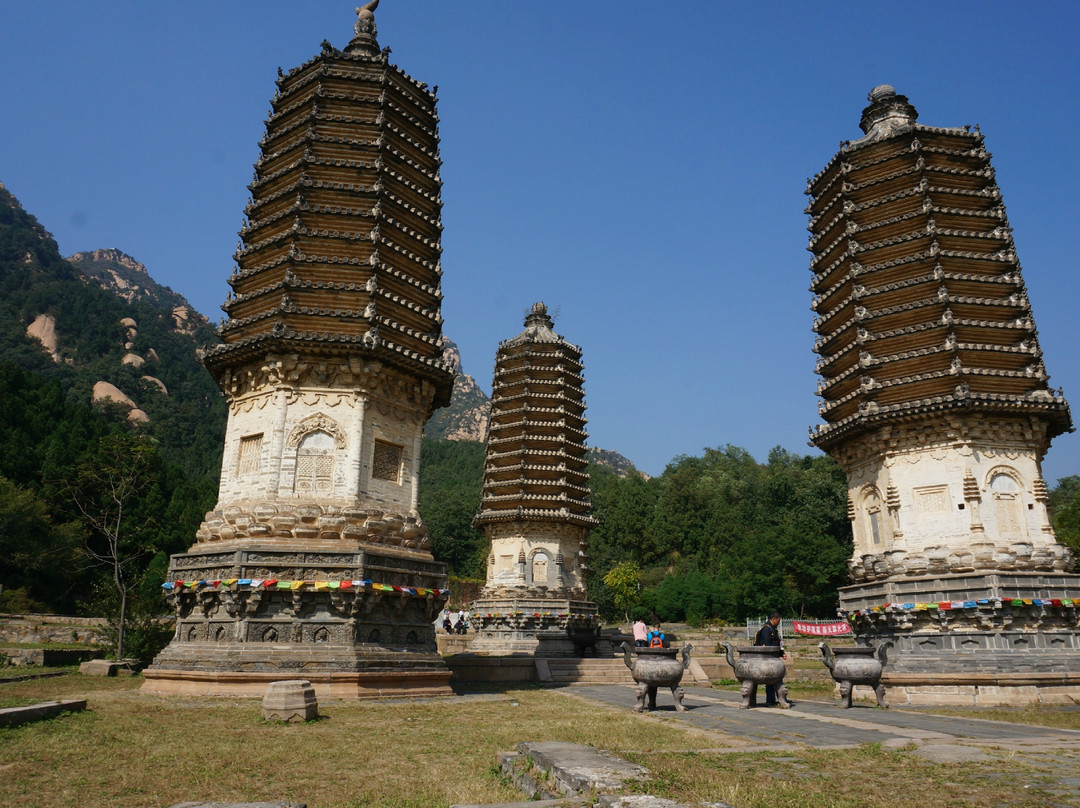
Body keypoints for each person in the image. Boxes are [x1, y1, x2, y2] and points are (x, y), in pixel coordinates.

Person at [753, 611, 784, 706]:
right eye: (778, 621)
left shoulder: (771, 628)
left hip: (773, 657)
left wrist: (781, 653)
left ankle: (776, 699)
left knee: (775, 679)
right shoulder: (767, 629)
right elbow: (768, 644)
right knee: (771, 679)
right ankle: (771, 699)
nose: (778, 623)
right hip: (767, 659)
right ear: (775, 619)